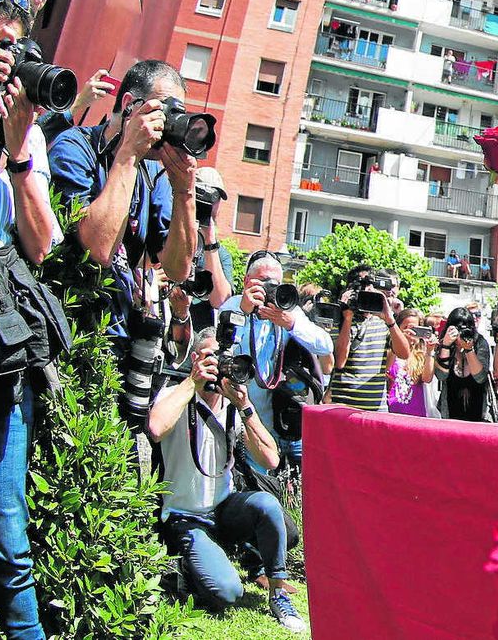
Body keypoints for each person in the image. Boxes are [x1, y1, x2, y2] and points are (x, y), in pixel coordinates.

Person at [0, 0, 70, 640]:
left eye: (16, 46)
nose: (6, 58)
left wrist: (16, 152)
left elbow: (43, 244)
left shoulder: (26, 131)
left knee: (7, 530)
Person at [48, 58, 199, 424]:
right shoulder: (75, 147)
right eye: (166, 110)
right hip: (67, 335)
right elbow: (97, 248)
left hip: (118, 343)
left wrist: (185, 194)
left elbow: (178, 268)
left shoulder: (153, 173)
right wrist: (128, 152)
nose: (171, 123)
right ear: (130, 104)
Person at [146, 333, 306, 632]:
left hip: (223, 508)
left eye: (224, 361)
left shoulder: (232, 405)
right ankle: (185, 566)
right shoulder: (176, 393)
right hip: (185, 515)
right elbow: (156, 428)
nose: (218, 367)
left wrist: (246, 408)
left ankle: (277, 592)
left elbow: (271, 460)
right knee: (227, 592)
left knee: (267, 505)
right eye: (210, 358)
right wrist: (192, 382)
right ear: (195, 359)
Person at [215, 251, 333, 474]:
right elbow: (221, 349)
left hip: (273, 416)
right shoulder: (232, 305)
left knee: (266, 475)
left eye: (275, 284)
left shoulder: (287, 310)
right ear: (246, 282)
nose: (269, 289)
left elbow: (325, 345)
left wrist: (291, 325)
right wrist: (244, 311)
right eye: (263, 282)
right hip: (235, 408)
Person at [326, 264, 411, 411]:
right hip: (342, 407)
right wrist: (347, 318)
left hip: (376, 408)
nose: (366, 290)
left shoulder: (383, 320)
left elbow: (404, 353)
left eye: (370, 285)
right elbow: (339, 362)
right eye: (361, 285)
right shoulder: (339, 321)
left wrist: (391, 320)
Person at [186, 167, 234, 332]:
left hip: (199, 339)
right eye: (201, 192)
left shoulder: (221, 254)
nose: (208, 201)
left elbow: (221, 300)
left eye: (215, 196)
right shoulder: (169, 234)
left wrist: (209, 241)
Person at [435, 306, 493, 422]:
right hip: (450, 415)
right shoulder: (444, 344)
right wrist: (446, 346)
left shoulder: (480, 343)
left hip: (478, 414)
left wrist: (469, 349)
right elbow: (441, 376)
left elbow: (480, 377)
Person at [386, 309, 434, 416]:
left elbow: (427, 378)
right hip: (391, 413)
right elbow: (386, 369)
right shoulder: (390, 351)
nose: (410, 332)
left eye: (413, 329)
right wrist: (400, 341)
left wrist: (430, 351)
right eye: (405, 328)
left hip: (415, 414)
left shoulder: (421, 354)